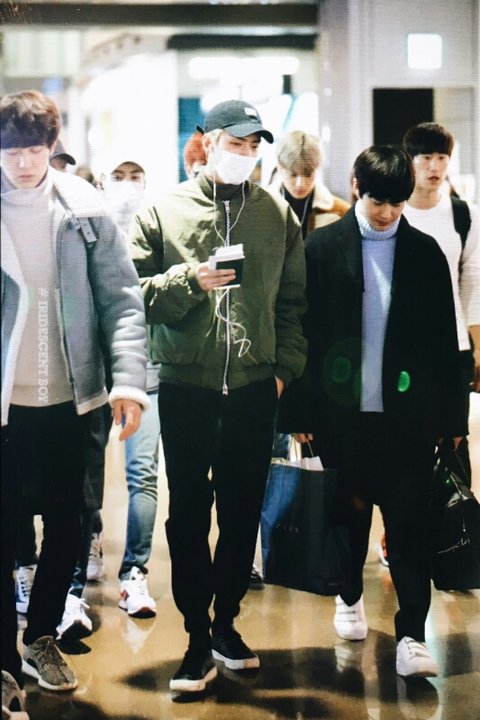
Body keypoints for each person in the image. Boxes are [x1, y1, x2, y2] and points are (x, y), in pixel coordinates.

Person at [130, 98, 307, 695]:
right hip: (187, 386)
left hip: (255, 388)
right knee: (187, 513)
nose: (246, 155)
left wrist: (282, 371)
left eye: (254, 147)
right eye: (236, 144)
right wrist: (191, 280)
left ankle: (226, 623)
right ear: (207, 142)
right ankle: (195, 638)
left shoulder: (275, 214)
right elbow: (132, 294)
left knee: (241, 513)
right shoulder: (164, 210)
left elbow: (294, 302)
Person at [279, 145, 466, 678]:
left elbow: (444, 342)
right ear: (357, 187)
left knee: (409, 528)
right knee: (347, 519)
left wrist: (452, 421)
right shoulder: (321, 249)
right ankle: (349, 596)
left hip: (408, 421)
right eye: (378, 201)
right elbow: (303, 335)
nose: (387, 213)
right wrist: (297, 413)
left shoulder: (425, 254)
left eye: (397, 203)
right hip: (342, 418)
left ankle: (412, 635)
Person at [1, 90, 149, 693]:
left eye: (34, 151)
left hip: (74, 400)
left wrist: (128, 382)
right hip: (6, 407)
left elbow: (122, 300)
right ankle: (3, 662)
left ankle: (40, 637)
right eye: (11, 152)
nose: (23, 164)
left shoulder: (85, 209)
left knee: (71, 524)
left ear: (52, 146)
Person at [268, 130, 350, 239]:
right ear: (279, 167)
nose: (300, 184)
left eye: (308, 175)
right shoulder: (259, 208)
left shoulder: (340, 211)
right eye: (293, 174)